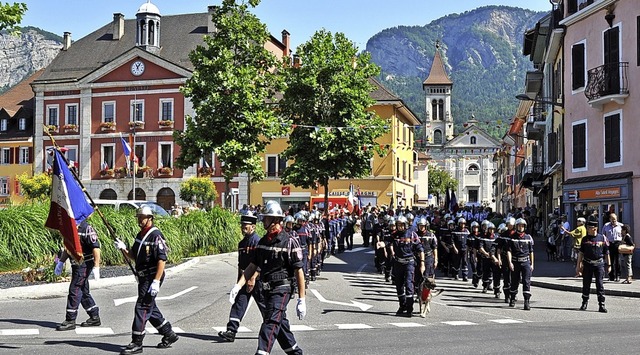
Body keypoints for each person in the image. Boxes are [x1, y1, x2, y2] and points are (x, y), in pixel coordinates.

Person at [228, 201, 305, 355]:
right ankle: (296, 352)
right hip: (267, 290)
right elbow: (252, 266)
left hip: (282, 289)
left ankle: (262, 352)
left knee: (270, 322)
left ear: (275, 220)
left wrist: (301, 299)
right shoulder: (263, 242)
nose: (263, 220)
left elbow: (299, 271)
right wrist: (238, 285)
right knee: (280, 323)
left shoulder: (289, 241)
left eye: (266, 218)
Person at [114, 206, 179, 354]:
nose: (139, 219)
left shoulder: (155, 235)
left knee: (142, 307)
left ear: (150, 218)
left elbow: (162, 260)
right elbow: (134, 255)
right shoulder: (140, 235)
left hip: (152, 276)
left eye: (142, 217)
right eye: (138, 217)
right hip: (143, 277)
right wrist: (123, 248)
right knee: (150, 308)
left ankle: (137, 342)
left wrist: (156, 281)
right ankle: (169, 334)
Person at [218, 212, 264, 342]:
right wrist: (238, 284)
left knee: (265, 307)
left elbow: (260, 264)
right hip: (245, 279)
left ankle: (276, 329)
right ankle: (231, 331)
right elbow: (241, 265)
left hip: (257, 280)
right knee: (239, 304)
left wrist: (253, 278)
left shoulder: (257, 242)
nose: (243, 227)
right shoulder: (242, 243)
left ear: (253, 227)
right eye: (242, 224)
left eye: (246, 225)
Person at [54, 220, 102, 331]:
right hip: (75, 264)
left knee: (75, 289)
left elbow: (96, 248)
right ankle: (94, 316)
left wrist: (96, 266)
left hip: (84, 263)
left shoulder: (86, 229)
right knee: (83, 291)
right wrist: (61, 262)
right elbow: (68, 248)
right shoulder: (70, 229)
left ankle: (70, 320)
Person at [391, 216, 424, 317]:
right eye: (398, 225)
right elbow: (388, 243)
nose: (400, 227)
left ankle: (410, 308)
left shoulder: (411, 234)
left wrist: (422, 263)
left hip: (409, 263)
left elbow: (420, 249)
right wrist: (382, 244)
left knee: (409, 285)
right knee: (399, 286)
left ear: (405, 225)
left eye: (402, 225)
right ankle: (402, 306)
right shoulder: (394, 235)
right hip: (398, 263)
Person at [576, 220, 611, 313]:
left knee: (600, 285)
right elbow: (580, 253)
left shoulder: (602, 238)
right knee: (586, 284)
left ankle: (601, 305)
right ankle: (584, 303)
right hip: (587, 264)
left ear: (595, 228)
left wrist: (609, 265)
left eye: (589, 228)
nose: (587, 229)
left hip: (599, 264)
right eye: (587, 228)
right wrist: (578, 266)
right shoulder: (585, 239)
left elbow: (607, 253)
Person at [507, 218, 534, 310]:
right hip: (516, 261)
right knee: (515, 281)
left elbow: (531, 252)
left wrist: (532, 264)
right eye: (519, 226)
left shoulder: (528, 237)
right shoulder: (512, 238)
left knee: (527, 281)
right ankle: (513, 298)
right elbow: (509, 251)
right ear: (516, 226)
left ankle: (526, 301)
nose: (521, 227)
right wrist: (510, 262)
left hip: (525, 262)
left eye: (522, 226)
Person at [602, 213, 623, 281]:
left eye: (615, 219)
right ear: (610, 219)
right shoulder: (606, 225)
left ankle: (618, 276)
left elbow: (624, 235)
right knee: (610, 261)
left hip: (617, 243)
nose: (614, 220)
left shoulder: (620, 226)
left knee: (618, 260)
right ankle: (611, 276)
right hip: (609, 244)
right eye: (612, 219)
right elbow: (603, 235)